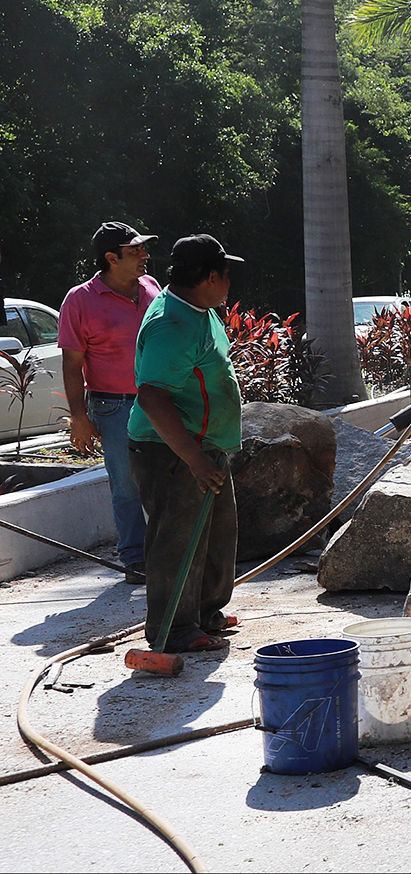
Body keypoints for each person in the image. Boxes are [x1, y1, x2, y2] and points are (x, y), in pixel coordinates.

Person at [128, 235, 245, 654]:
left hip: (206, 445)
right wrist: (194, 459)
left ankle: (205, 613)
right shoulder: (171, 325)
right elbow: (153, 396)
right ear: (211, 276)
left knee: (218, 536)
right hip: (173, 453)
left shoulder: (201, 310)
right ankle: (173, 629)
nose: (230, 280)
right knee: (176, 541)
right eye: (226, 272)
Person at [57, 222, 161, 584]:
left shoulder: (151, 287)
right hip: (113, 407)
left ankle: (168, 552)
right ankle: (135, 558)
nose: (145, 256)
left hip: (160, 402)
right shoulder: (79, 300)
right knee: (126, 484)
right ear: (111, 259)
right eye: (136, 251)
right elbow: (71, 365)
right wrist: (78, 416)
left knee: (169, 477)